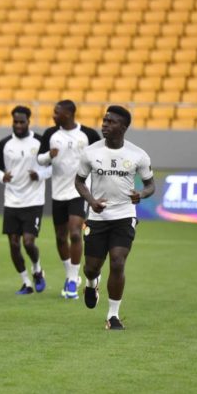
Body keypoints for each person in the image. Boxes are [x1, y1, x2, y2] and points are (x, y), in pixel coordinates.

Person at [75, 105, 154, 330]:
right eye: (105, 120)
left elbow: (150, 184)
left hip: (124, 214)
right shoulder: (90, 152)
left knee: (118, 262)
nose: (105, 125)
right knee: (91, 267)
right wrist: (91, 202)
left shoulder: (137, 154)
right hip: (97, 217)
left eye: (111, 122)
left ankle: (112, 316)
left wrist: (142, 194)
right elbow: (79, 181)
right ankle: (91, 284)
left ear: (123, 127)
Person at [37, 100, 101, 299]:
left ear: (68, 113)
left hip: (78, 191)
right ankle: (69, 273)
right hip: (58, 193)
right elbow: (39, 159)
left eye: (57, 112)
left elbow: (100, 156)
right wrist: (49, 155)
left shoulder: (88, 134)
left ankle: (73, 280)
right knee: (60, 236)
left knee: (75, 233)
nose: (53, 115)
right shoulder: (50, 134)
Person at [0, 106, 52, 295]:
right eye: (15, 122)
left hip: (33, 200)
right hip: (11, 200)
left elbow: (53, 168)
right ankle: (26, 282)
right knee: (13, 244)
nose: (18, 125)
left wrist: (40, 174)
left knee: (28, 242)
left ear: (28, 121)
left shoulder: (40, 141)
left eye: (21, 122)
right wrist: (2, 176)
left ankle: (37, 269)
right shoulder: (4, 143)